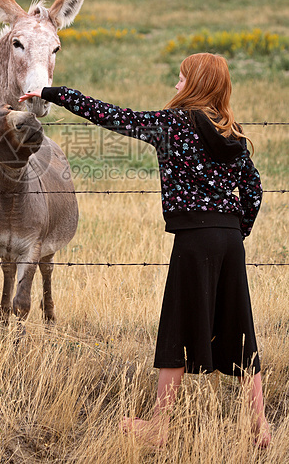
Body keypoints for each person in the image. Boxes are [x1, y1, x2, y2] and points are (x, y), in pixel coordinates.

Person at [18, 52, 271, 449]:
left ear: (198, 84)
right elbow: (254, 191)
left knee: (177, 327)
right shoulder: (233, 133)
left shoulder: (172, 125)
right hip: (229, 240)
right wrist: (239, 230)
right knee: (240, 329)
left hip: (194, 239)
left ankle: (160, 426)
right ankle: (260, 428)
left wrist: (54, 93)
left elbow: (112, 116)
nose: (176, 84)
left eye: (182, 78)